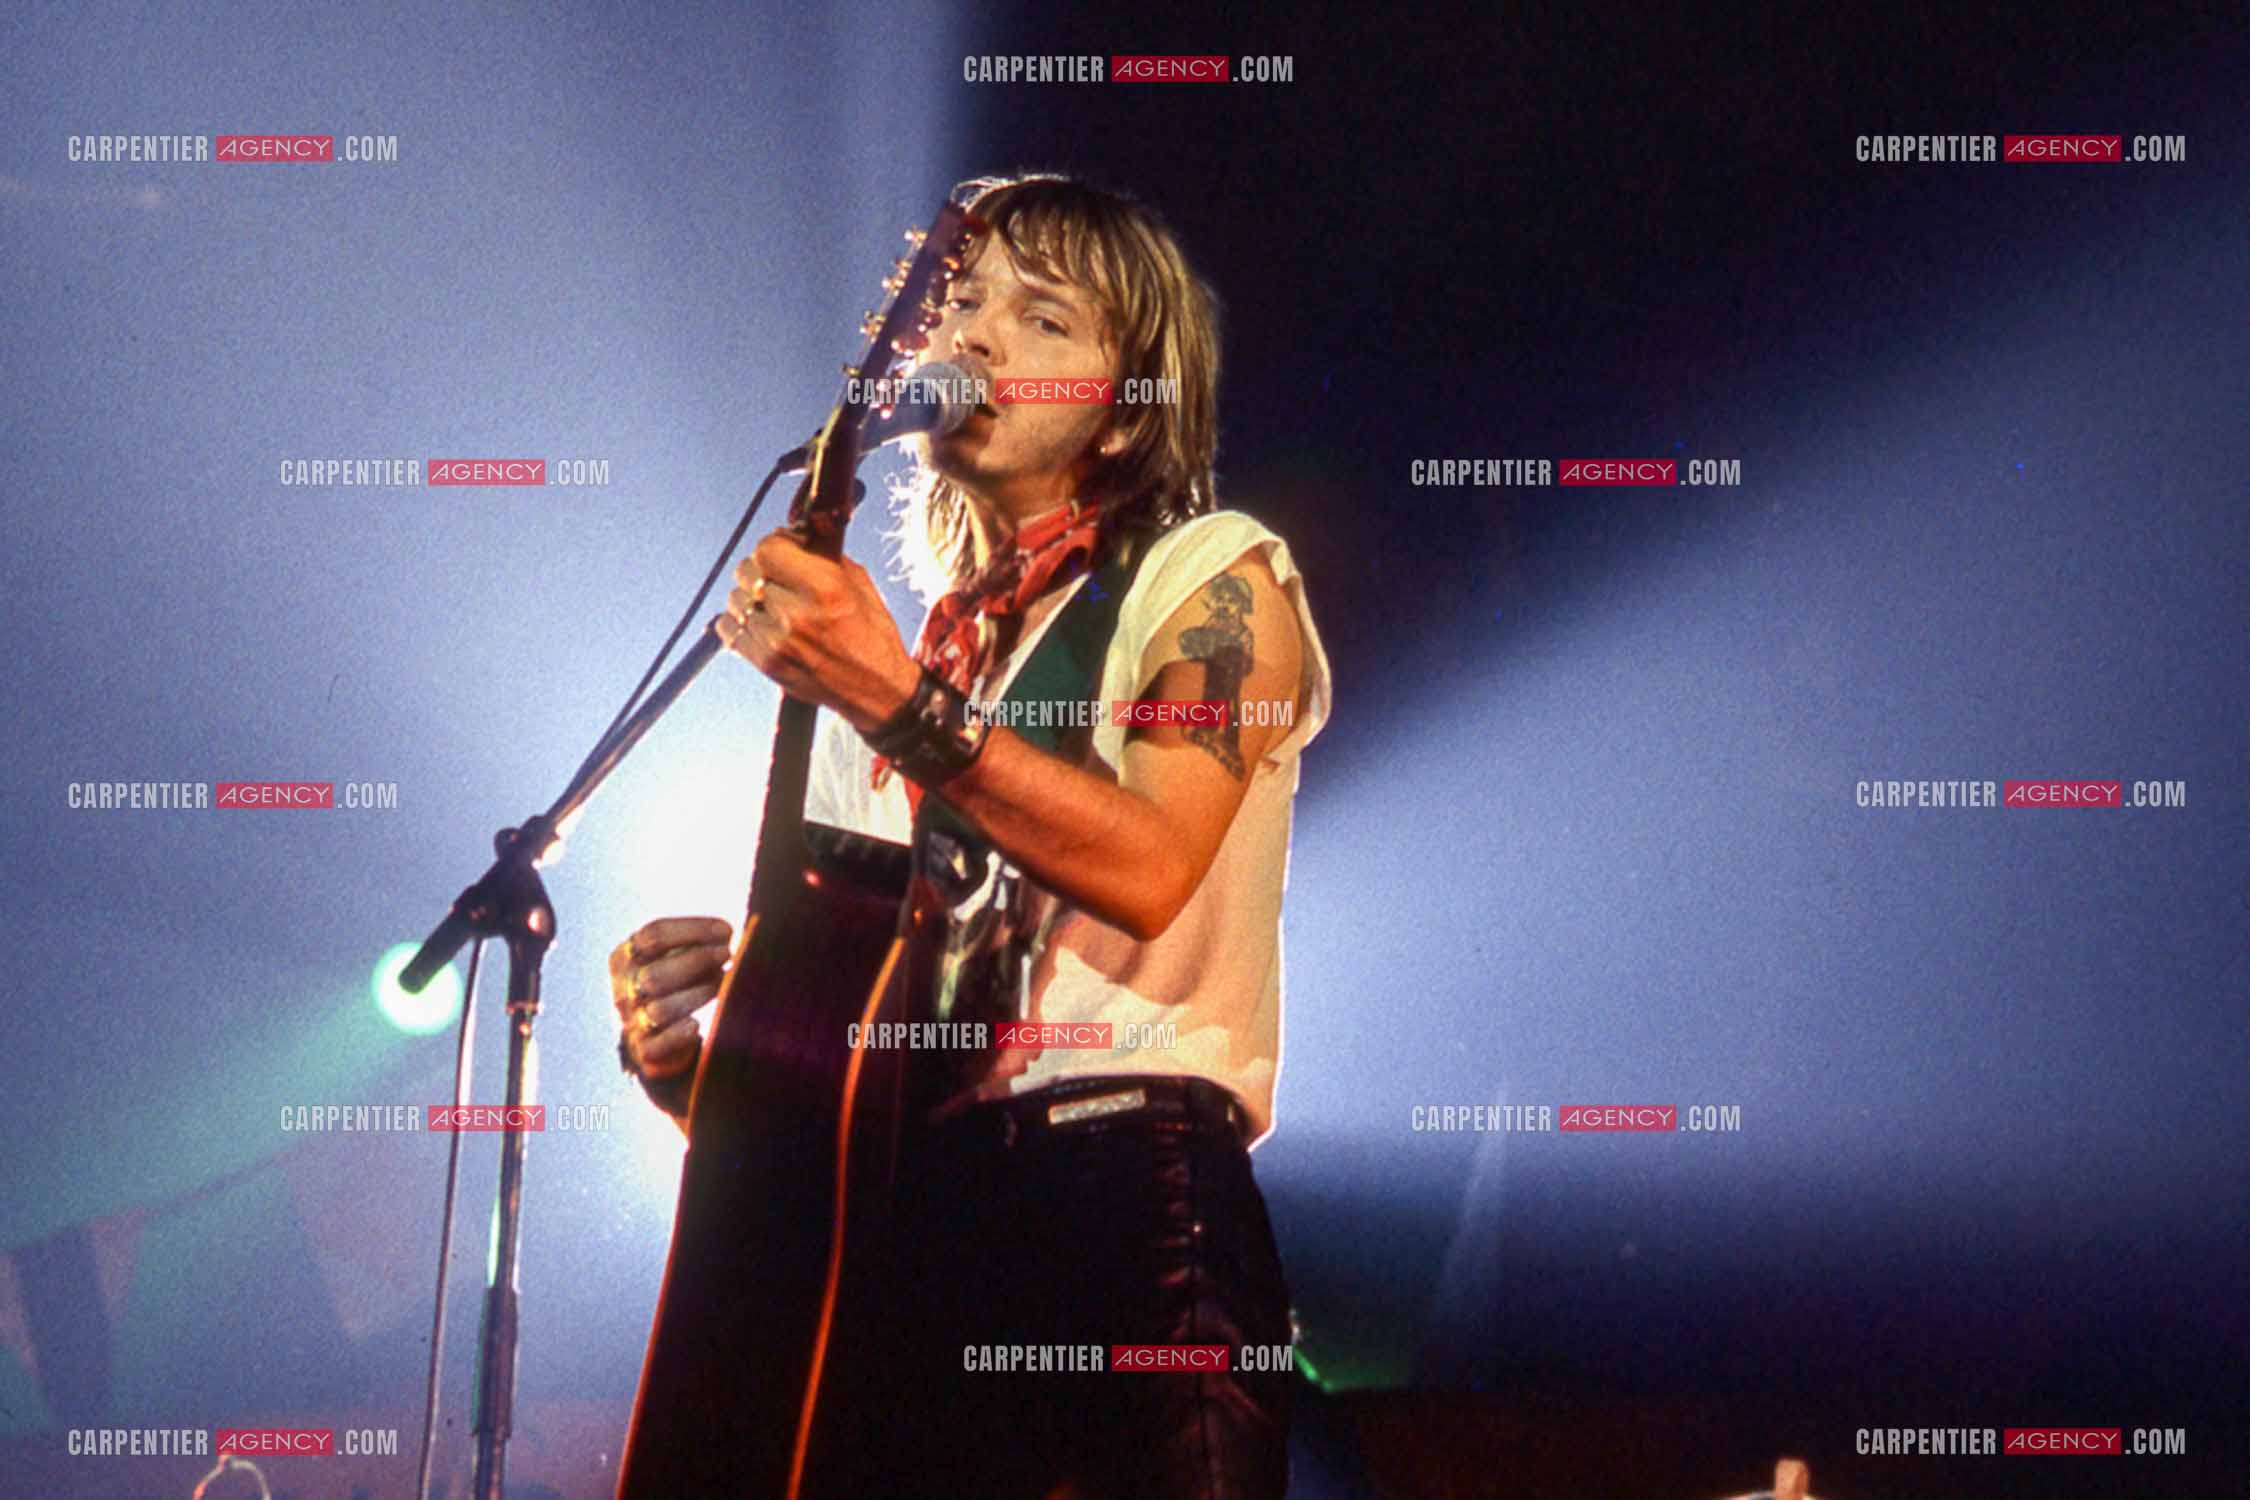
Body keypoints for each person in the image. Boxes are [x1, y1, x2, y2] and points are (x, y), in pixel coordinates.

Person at [610, 172, 1331, 1497]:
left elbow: (1149, 867)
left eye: (1045, 318)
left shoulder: (1210, 574)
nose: (978, 339)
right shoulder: (930, 657)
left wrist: (889, 696)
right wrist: (702, 1077)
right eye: (960, 303)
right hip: (921, 1227)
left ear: (1125, 412)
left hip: (1131, 1206)